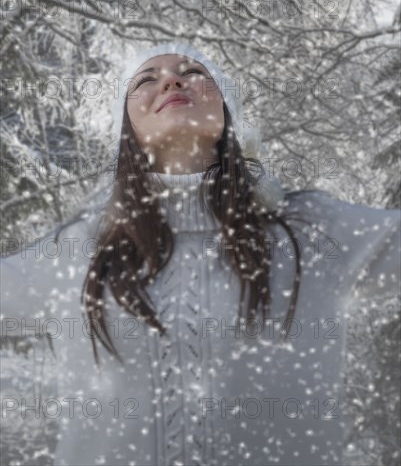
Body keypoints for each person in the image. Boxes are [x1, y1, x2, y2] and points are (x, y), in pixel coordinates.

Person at [1, 42, 400, 466]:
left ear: (226, 113)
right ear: (126, 129)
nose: (171, 81)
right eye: (145, 80)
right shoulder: (76, 252)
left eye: (193, 72)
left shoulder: (311, 229)